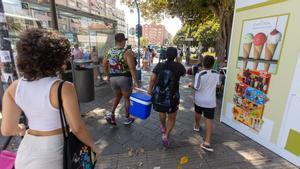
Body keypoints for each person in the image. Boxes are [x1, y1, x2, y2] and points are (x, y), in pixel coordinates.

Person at [0, 29, 100, 169]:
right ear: (57, 58)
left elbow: (6, 130)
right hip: (54, 154)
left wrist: (21, 130)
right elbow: (77, 128)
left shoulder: (14, 88)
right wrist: (94, 147)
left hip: (25, 153)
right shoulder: (63, 88)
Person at [147, 47, 186, 147]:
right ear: (175, 55)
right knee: (172, 117)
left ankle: (163, 127)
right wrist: (178, 61)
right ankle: (166, 135)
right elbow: (184, 74)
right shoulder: (179, 66)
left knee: (162, 112)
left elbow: (152, 79)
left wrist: (150, 90)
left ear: (165, 55)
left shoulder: (160, 65)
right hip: (173, 95)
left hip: (160, 94)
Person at [103, 33, 138, 125]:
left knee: (117, 96)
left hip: (113, 79)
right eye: (124, 41)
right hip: (125, 78)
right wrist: (135, 81)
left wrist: (108, 76)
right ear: (122, 41)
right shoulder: (127, 52)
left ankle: (111, 114)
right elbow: (132, 68)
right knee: (127, 98)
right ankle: (127, 117)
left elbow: (104, 65)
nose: (125, 43)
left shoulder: (109, 51)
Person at [188, 55, 221, 152]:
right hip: (211, 101)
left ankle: (197, 125)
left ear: (203, 63)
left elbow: (197, 87)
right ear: (212, 64)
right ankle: (207, 142)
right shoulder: (217, 73)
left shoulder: (200, 74)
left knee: (198, 113)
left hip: (200, 100)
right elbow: (218, 85)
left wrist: (190, 85)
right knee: (209, 120)